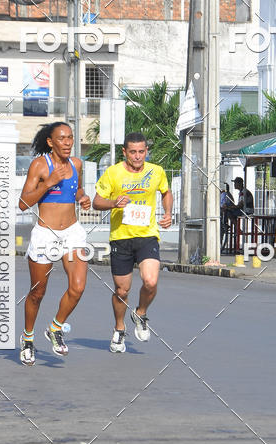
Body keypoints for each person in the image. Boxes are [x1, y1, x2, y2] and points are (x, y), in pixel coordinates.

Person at [93, 132, 173, 353]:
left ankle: (141, 312)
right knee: (122, 290)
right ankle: (119, 328)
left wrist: (168, 213)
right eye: (133, 152)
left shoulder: (156, 171)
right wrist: (113, 203)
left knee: (150, 281)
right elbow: (96, 202)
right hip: (121, 237)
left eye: (141, 152)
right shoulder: (113, 173)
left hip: (147, 235)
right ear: (125, 152)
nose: (137, 157)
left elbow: (166, 192)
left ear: (146, 151)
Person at [18, 122, 91, 366]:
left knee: (78, 287)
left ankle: (55, 327)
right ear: (51, 142)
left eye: (70, 137)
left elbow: (77, 189)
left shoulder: (76, 164)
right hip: (45, 234)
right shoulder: (40, 165)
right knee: (38, 292)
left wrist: (82, 198)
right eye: (62, 138)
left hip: (72, 232)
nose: (68, 142)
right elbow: (23, 204)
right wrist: (48, 183)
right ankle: (28, 338)